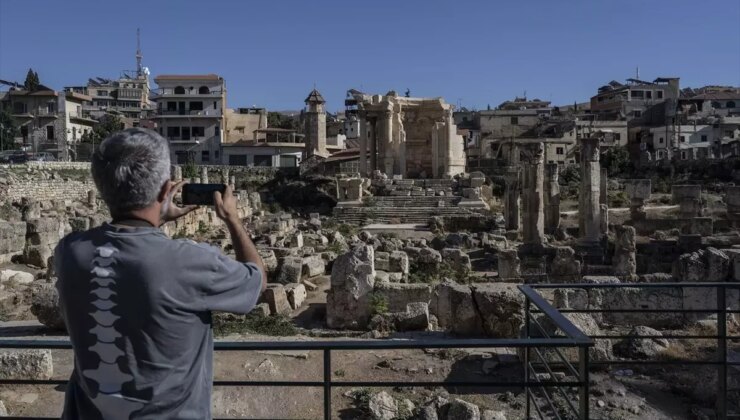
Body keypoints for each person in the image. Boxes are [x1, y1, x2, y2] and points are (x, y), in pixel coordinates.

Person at [55, 128, 266, 419]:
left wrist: (155, 217)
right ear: (167, 190)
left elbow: (130, 252)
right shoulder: (189, 261)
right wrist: (232, 219)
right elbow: (256, 280)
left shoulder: (69, 252)